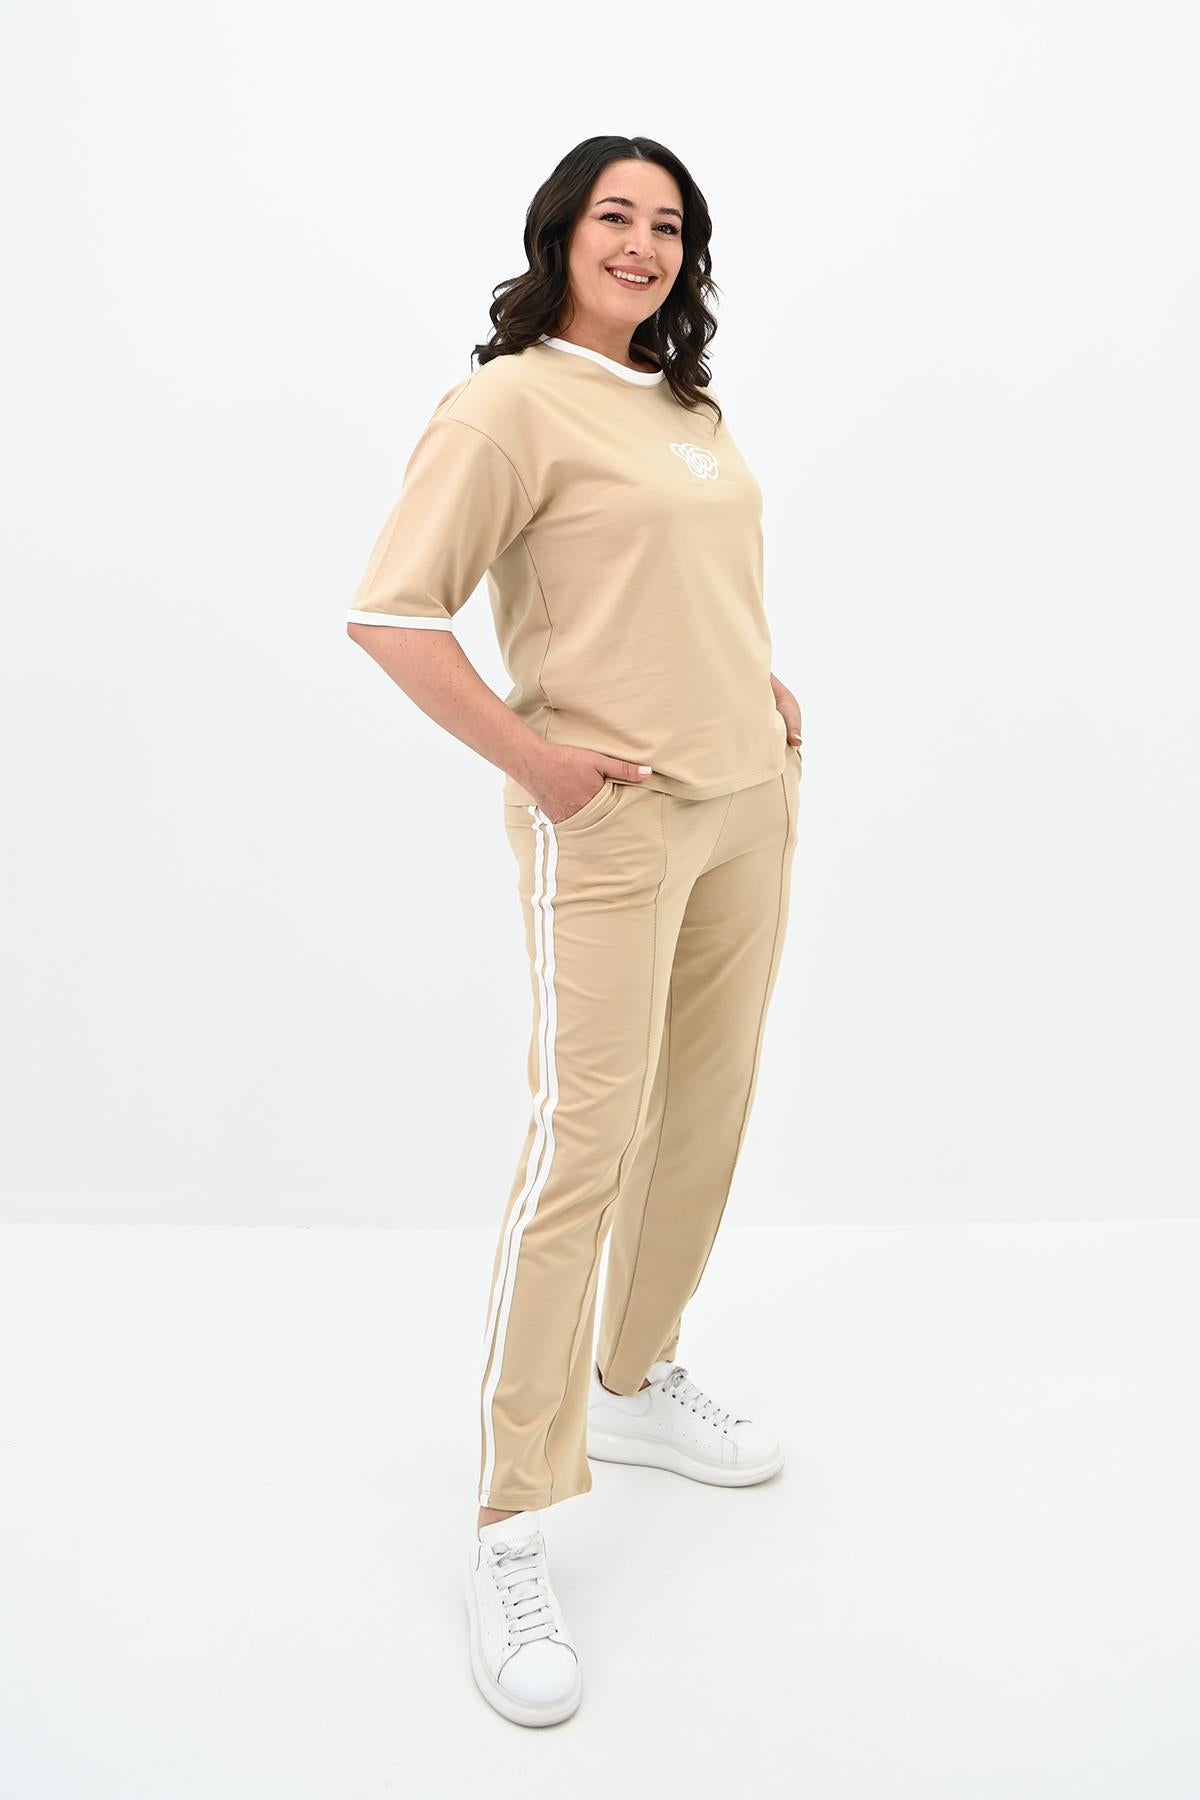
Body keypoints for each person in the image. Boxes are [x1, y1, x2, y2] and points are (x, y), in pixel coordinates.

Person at [345, 134, 803, 1728]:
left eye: (669, 224)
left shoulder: (686, 406)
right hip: (611, 821)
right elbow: (392, 613)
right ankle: (508, 1518)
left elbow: (682, 584)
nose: (643, 244)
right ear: (559, 233)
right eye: (617, 215)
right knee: (581, 1148)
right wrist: (538, 764)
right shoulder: (506, 406)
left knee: (706, 1115)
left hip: (748, 801)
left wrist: (755, 682)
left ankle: (633, 1379)